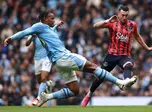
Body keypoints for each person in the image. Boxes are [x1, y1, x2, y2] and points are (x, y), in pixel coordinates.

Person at [4, 11, 138, 107]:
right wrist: (11, 38)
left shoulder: (48, 29)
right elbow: (24, 32)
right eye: (51, 18)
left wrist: (56, 26)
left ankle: (47, 97)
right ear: (44, 18)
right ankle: (119, 83)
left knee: (74, 90)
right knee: (94, 67)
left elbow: (49, 34)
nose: (53, 20)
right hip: (64, 57)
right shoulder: (39, 26)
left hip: (58, 63)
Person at [81, 5, 152, 107]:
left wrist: (147, 48)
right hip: (111, 55)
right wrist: (107, 20)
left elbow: (137, 36)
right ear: (118, 14)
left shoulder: (132, 25)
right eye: (122, 15)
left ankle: (125, 82)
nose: (124, 17)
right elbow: (95, 26)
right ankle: (89, 95)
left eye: (126, 15)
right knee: (100, 77)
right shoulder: (112, 23)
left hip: (124, 55)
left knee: (129, 64)